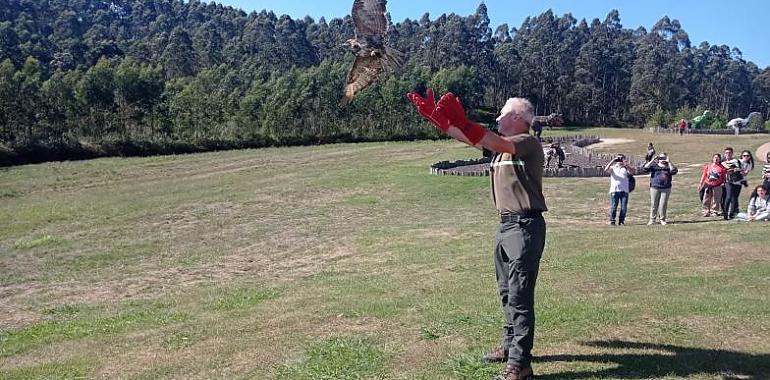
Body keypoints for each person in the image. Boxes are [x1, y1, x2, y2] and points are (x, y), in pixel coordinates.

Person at [408, 90, 546, 380]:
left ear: (518, 119)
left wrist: (464, 119)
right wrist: (441, 121)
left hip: (524, 226)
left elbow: (498, 142)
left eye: (503, 113)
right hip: (506, 226)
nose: (497, 117)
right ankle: (510, 348)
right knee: (507, 293)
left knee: (520, 296)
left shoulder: (526, 142)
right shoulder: (499, 148)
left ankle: (521, 366)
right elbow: (470, 138)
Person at [643, 153, 678, 225]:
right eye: (661, 157)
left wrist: (669, 162)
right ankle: (652, 220)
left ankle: (662, 219)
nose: (662, 159)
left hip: (666, 188)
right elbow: (645, 168)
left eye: (663, 157)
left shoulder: (668, 166)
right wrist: (653, 160)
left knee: (663, 204)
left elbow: (674, 171)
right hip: (655, 187)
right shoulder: (654, 166)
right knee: (654, 204)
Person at [604, 154, 635, 225]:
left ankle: (621, 221)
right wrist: (613, 161)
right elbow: (606, 169)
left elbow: (633, 172)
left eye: (621, 159)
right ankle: (612, 221)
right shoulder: (613, 167)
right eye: (618, 160)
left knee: (623, 207)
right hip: (614, 190)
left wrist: (626, 164)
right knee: (614, 207)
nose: (619, 161)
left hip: (624, 191)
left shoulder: (626, 168)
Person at [721, 147, 745, 220]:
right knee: (728, 197)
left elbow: (742, 171)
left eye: (729, 153)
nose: (728, 154)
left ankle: (732, 214)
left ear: (732, 153)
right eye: (726, 153)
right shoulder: (722, 162)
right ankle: (725, 214)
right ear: (724, 154)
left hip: (737, 182)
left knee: (734, 198)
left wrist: (737, 170)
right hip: (728, 182)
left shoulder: (736, 161)